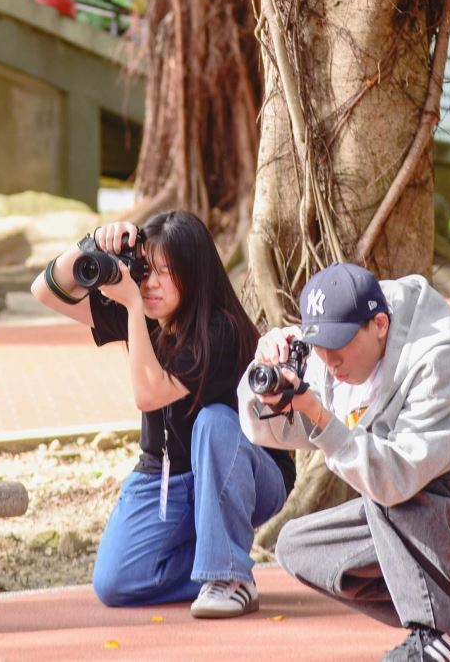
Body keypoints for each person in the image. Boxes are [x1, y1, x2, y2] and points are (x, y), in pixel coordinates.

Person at [241, 263, 450, 662]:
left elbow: (394, 477)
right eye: (319, 344)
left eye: (340, 343)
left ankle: (449, 635)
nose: (329, 359)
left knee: (389, 483)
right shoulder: (331, 365)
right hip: (442, 504)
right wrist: (264, 380)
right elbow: (266, 430)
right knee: (300, 547)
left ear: (379, 324)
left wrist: (321, 418)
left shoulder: (437, 365)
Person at [31, 211, 295, 618]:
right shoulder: (146, 310)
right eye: (146, 269)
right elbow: (45, 290)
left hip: (246, 472)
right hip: (168, 474)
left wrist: (133, 307)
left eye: (166, 271)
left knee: (213, 422)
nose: (150, 282)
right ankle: (215, 559)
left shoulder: (219, 331)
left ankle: (230, 577)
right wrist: (94, 243)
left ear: (194, 273)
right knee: (115, 583)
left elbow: (148, 394)